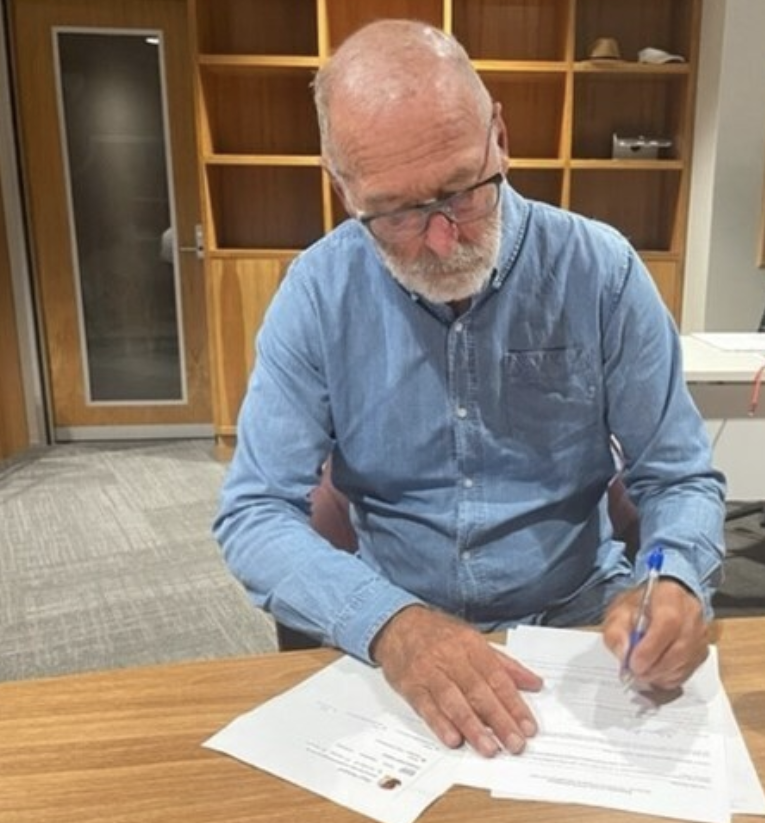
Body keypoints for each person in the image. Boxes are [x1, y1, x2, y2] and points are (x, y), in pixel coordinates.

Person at [214, 19, 726, 759]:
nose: (442, 240)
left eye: (462, 191)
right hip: (398, 629)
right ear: (342, 184)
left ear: (501, 137)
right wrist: (389, 623)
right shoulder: (319, 294)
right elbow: (255, 512)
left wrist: (673, 578)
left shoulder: (599, 271)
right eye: (394, 213)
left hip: (581, 629)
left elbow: (676, 475)